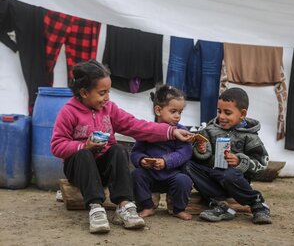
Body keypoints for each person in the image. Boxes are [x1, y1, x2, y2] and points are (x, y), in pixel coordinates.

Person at [50, 60, 193, 234]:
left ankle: (124, 205)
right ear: (84, 92)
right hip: (79, 171)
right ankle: (95, 208)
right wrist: (83, 146)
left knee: (118, 149)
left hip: (103, 171)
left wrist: (171, 132)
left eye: (108, 92)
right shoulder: (69, 112)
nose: (107, 98)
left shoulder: (109, 109)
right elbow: (57, 145)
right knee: (84, 154)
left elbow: (135, 126)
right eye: (102, 93)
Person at [184, 87, 272, 224]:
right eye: (219, 111)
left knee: (229, 174)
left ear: (242, 114)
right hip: (212, 182)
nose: (222, 117)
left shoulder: (250, 136)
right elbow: (199, 157)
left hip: (235, 182)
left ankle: (257, 203)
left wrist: (240, 162)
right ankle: (220, 205)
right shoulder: (209, 130)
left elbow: (262, 164)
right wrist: (201, 151)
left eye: (228, 112)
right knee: (187, 165)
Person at [131, 84, 193, 220]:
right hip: (150, 174)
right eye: (173, 111)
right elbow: (136, 151)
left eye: (180, 112)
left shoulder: (181, 130)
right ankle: (147, 206)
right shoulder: (148, 130)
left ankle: (178, 209)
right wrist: (142, 160)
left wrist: (166, 161)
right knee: (136, 175)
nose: (177, 116)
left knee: (184, 180)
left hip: (172, 175)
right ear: (158, 110)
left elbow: (185, 152)